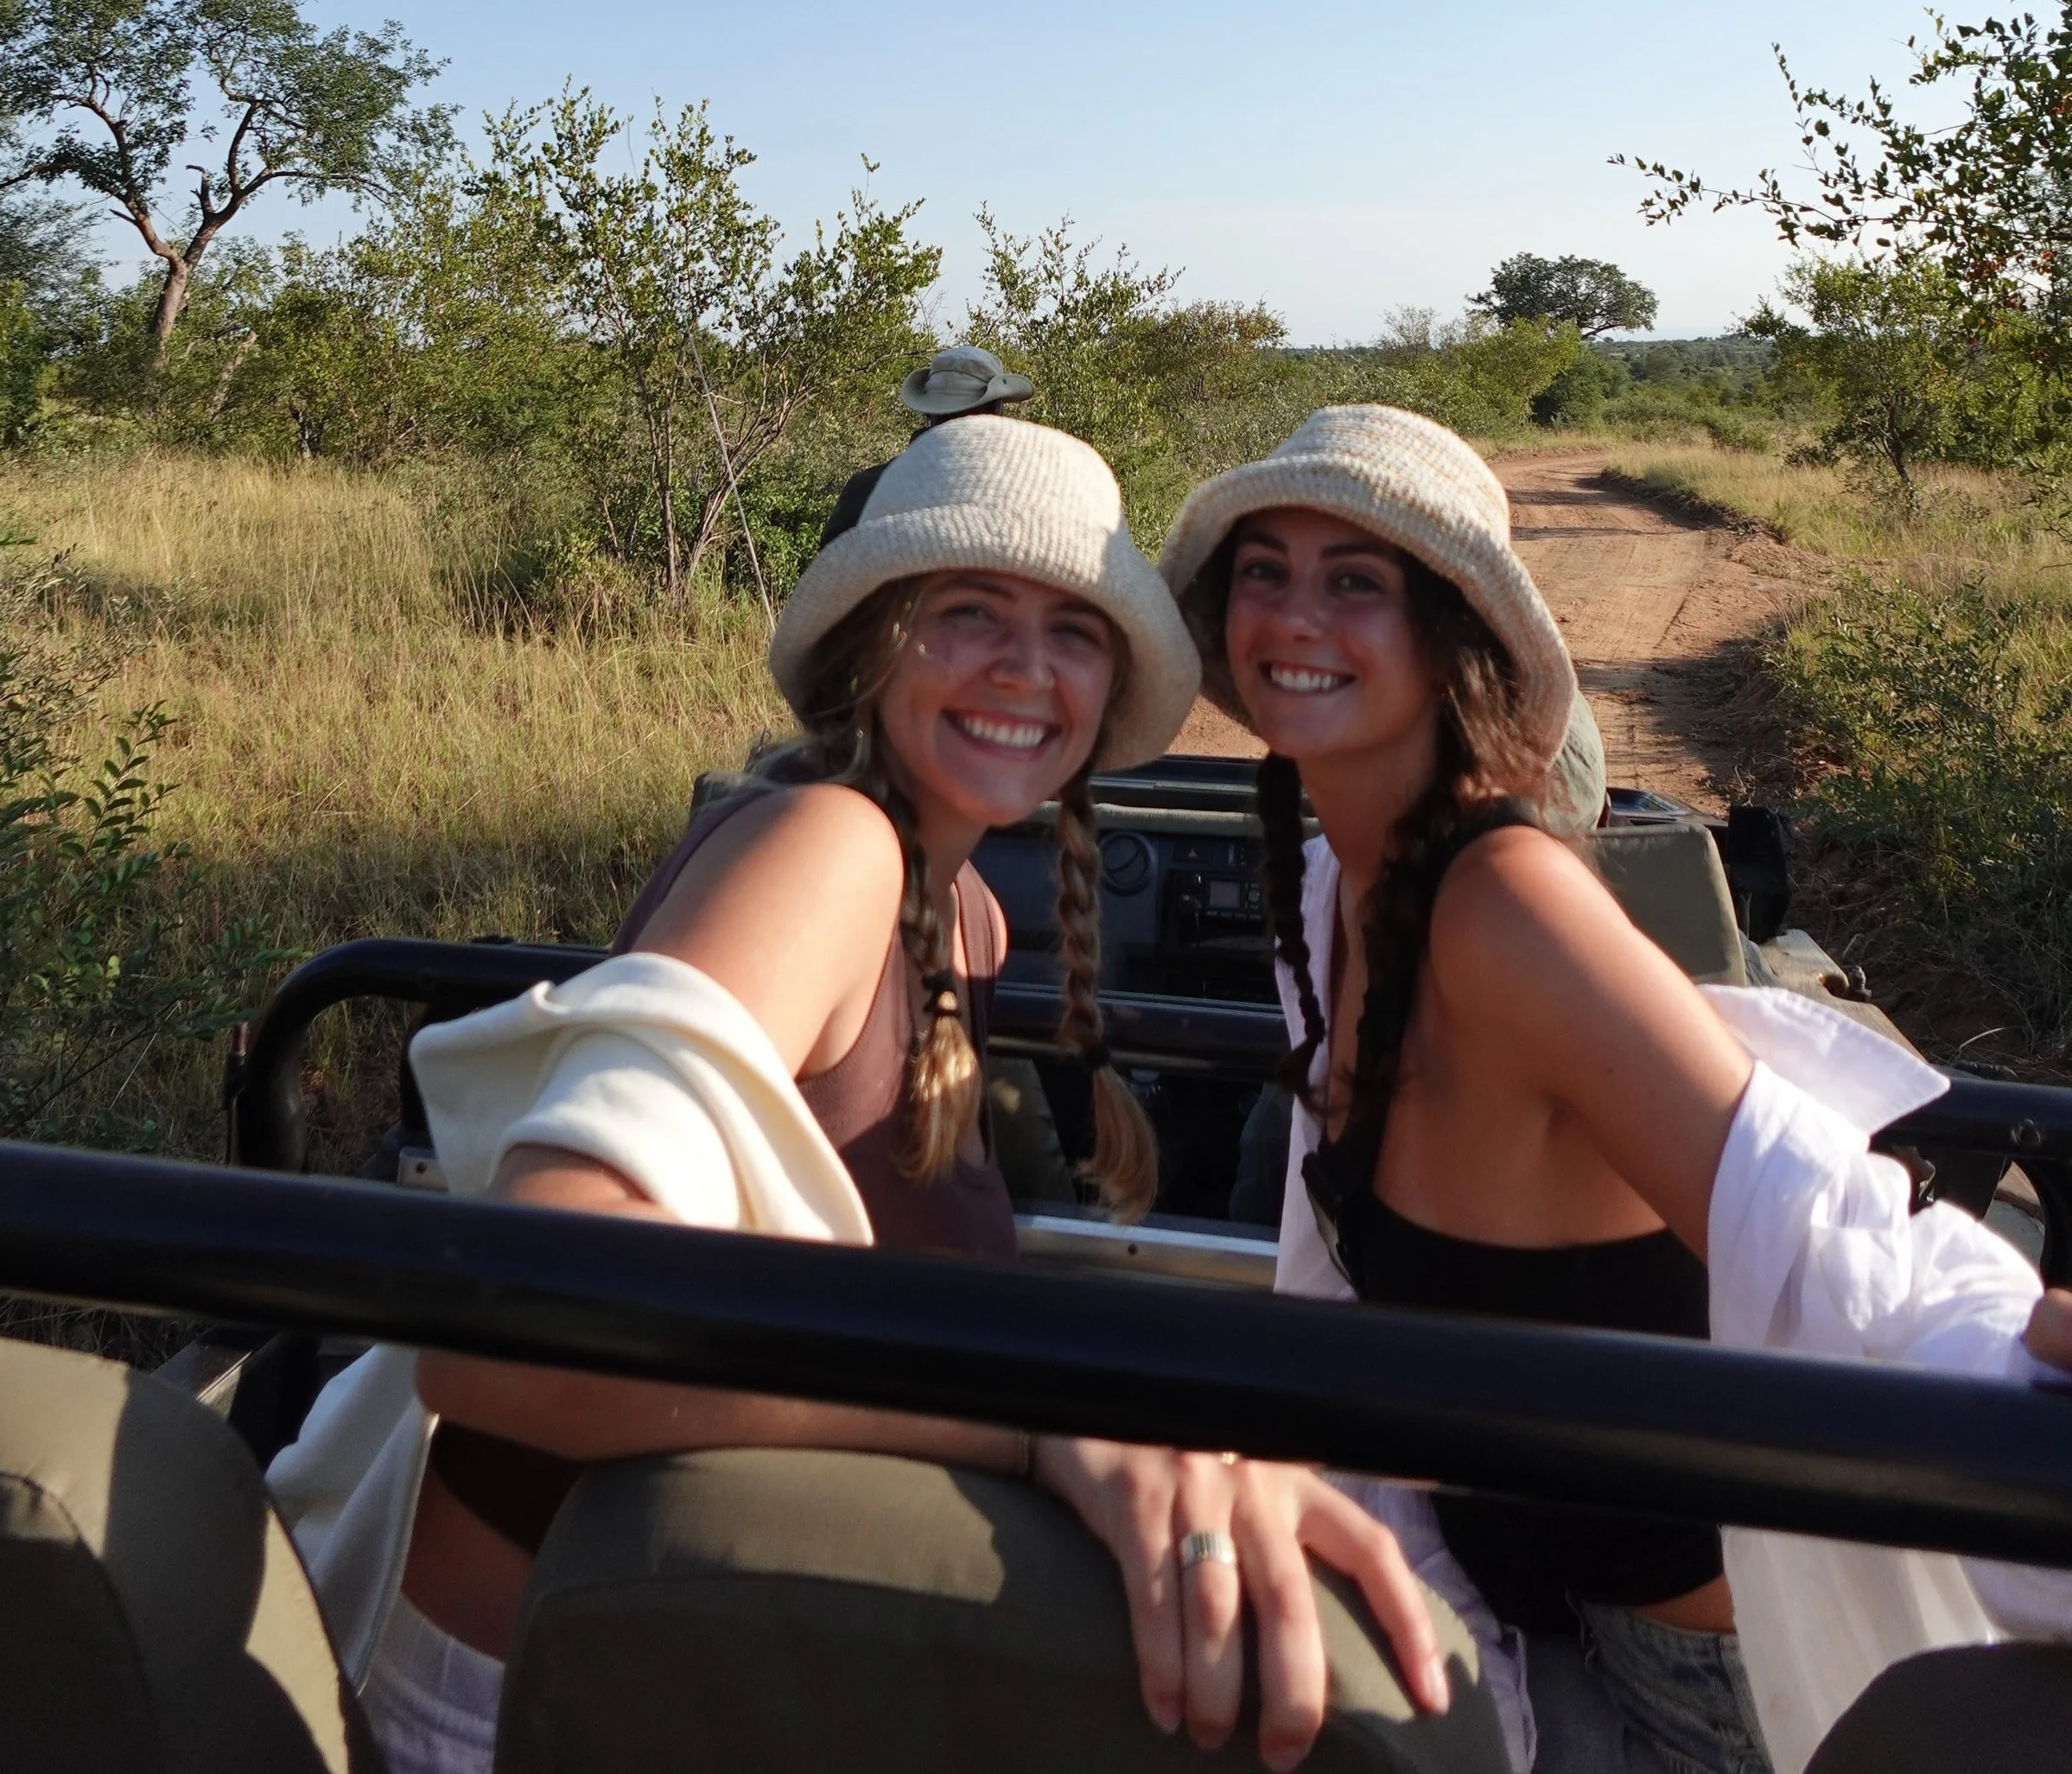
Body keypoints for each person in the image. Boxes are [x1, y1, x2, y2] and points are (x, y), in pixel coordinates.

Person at [372, 416, 1458, 1774]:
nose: (1026, 668)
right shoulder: (825, 852)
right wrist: (1030, 1421)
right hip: (540, 1691)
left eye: (1073, 628)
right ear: (875, 639)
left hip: (701, 1620)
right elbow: (511, 1326)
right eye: (969, 611)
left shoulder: (960, 920)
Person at [1159, 406, 2072, 1774]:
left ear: (1453, 635)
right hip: (1524, 1601)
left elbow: (1810, 1214)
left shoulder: (1505, 905)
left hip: (1693, 1668)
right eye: (1264, 571)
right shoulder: (1335, 888)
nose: (1295, 615)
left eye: (1358, 581)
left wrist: (2011, 1376)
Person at [818, 340, 1038, 547]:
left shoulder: (867, 486)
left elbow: (832, 566)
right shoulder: (1021, 492)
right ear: (996, 411)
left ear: (927, 410)